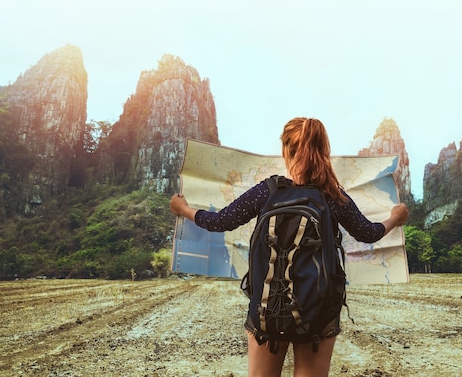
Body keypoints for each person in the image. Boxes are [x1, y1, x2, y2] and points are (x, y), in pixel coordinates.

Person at [170, 117, 409, 377]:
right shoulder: (332, 196)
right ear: (323, 150)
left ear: (286, 149)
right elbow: (368, 233)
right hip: (320, 313)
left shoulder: (268, 191)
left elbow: (220, 221)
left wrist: (183, 209)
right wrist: (395, 218)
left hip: (266, 309)